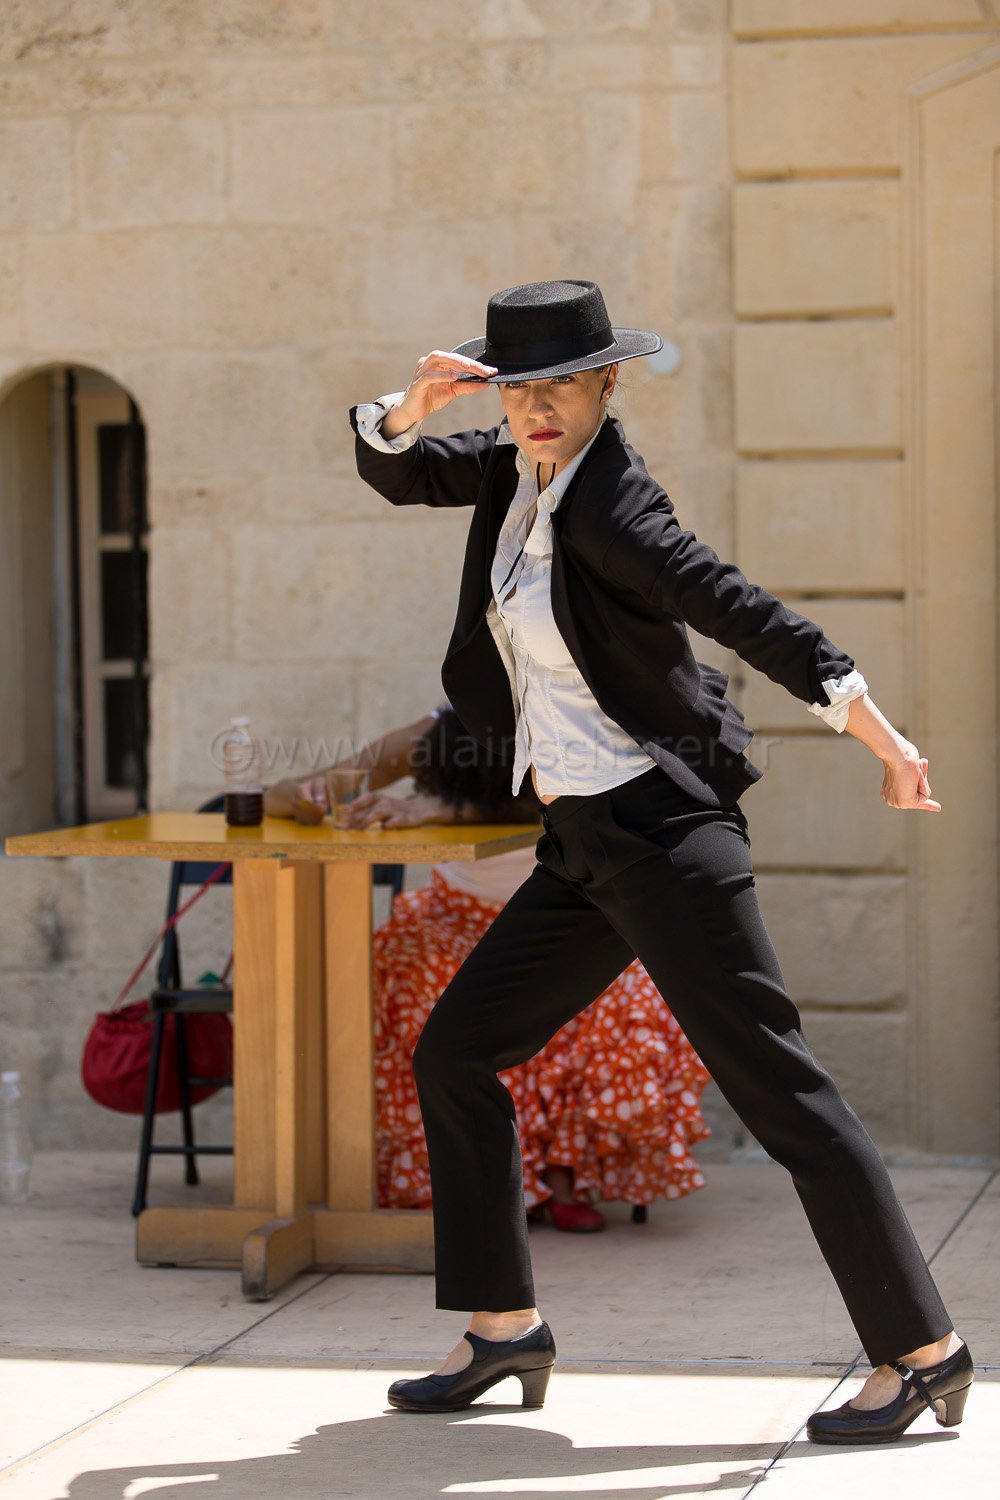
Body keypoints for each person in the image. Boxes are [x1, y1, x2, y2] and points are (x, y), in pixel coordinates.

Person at [348, 280, 971, 1442]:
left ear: (605, 383)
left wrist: (882, 738)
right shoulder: (513, 471)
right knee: (457, 1054)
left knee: (784, 1094)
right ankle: (502, 1327)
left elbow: (740, 610)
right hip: (583, 847)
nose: (536, 409)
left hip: (666, 842)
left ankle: (923, 1353)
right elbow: (398, 470)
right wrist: (410, 405)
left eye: (558, 387)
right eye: (516, 389)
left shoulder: (616, 507)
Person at [266, 708, 711, 1230]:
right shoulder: (432, 735)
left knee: (624, 993)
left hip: (567, 919)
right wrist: (303, 796)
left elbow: (568, 806)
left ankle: (563, 1174)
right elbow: (297, 791)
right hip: (453, 916)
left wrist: (440, 810)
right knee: (406, 975)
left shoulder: (566, 725)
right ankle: (466, 1179)